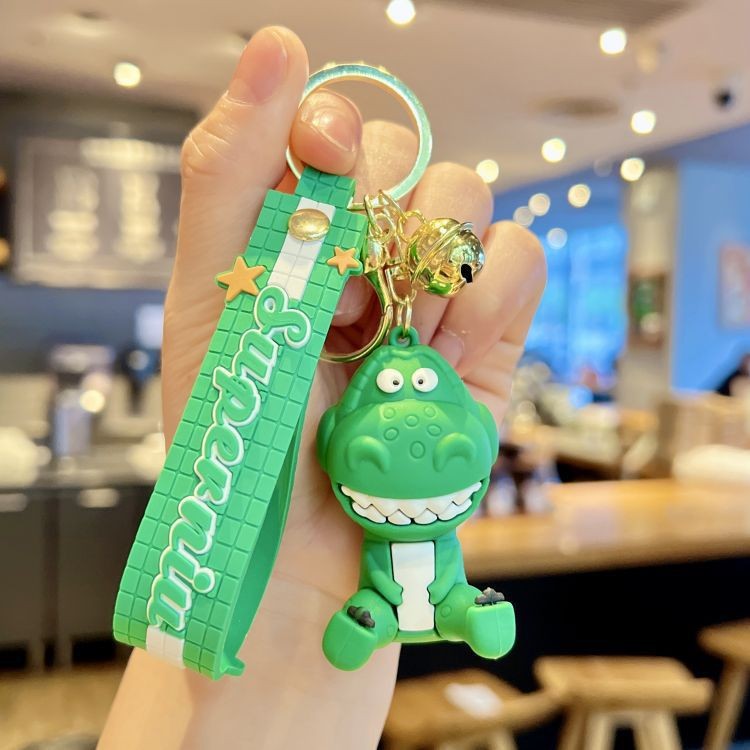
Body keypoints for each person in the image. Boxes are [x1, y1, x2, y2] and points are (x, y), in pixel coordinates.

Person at [99, 27, 545, 750]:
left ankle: (465, 611)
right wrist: (280, 592)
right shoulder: (339, 433)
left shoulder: (436, 410)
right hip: (321, 583)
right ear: (333, 438)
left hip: (402, 598)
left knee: (460, 603)